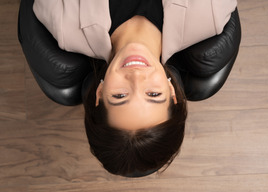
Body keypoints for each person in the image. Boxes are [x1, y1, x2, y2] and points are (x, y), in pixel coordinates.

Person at [33, 0, 237, 177]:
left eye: (120, 95)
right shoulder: (210, 13)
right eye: (154, 94)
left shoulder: (63, 24)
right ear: (172, 91)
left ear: (99, 93)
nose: (137, 77)